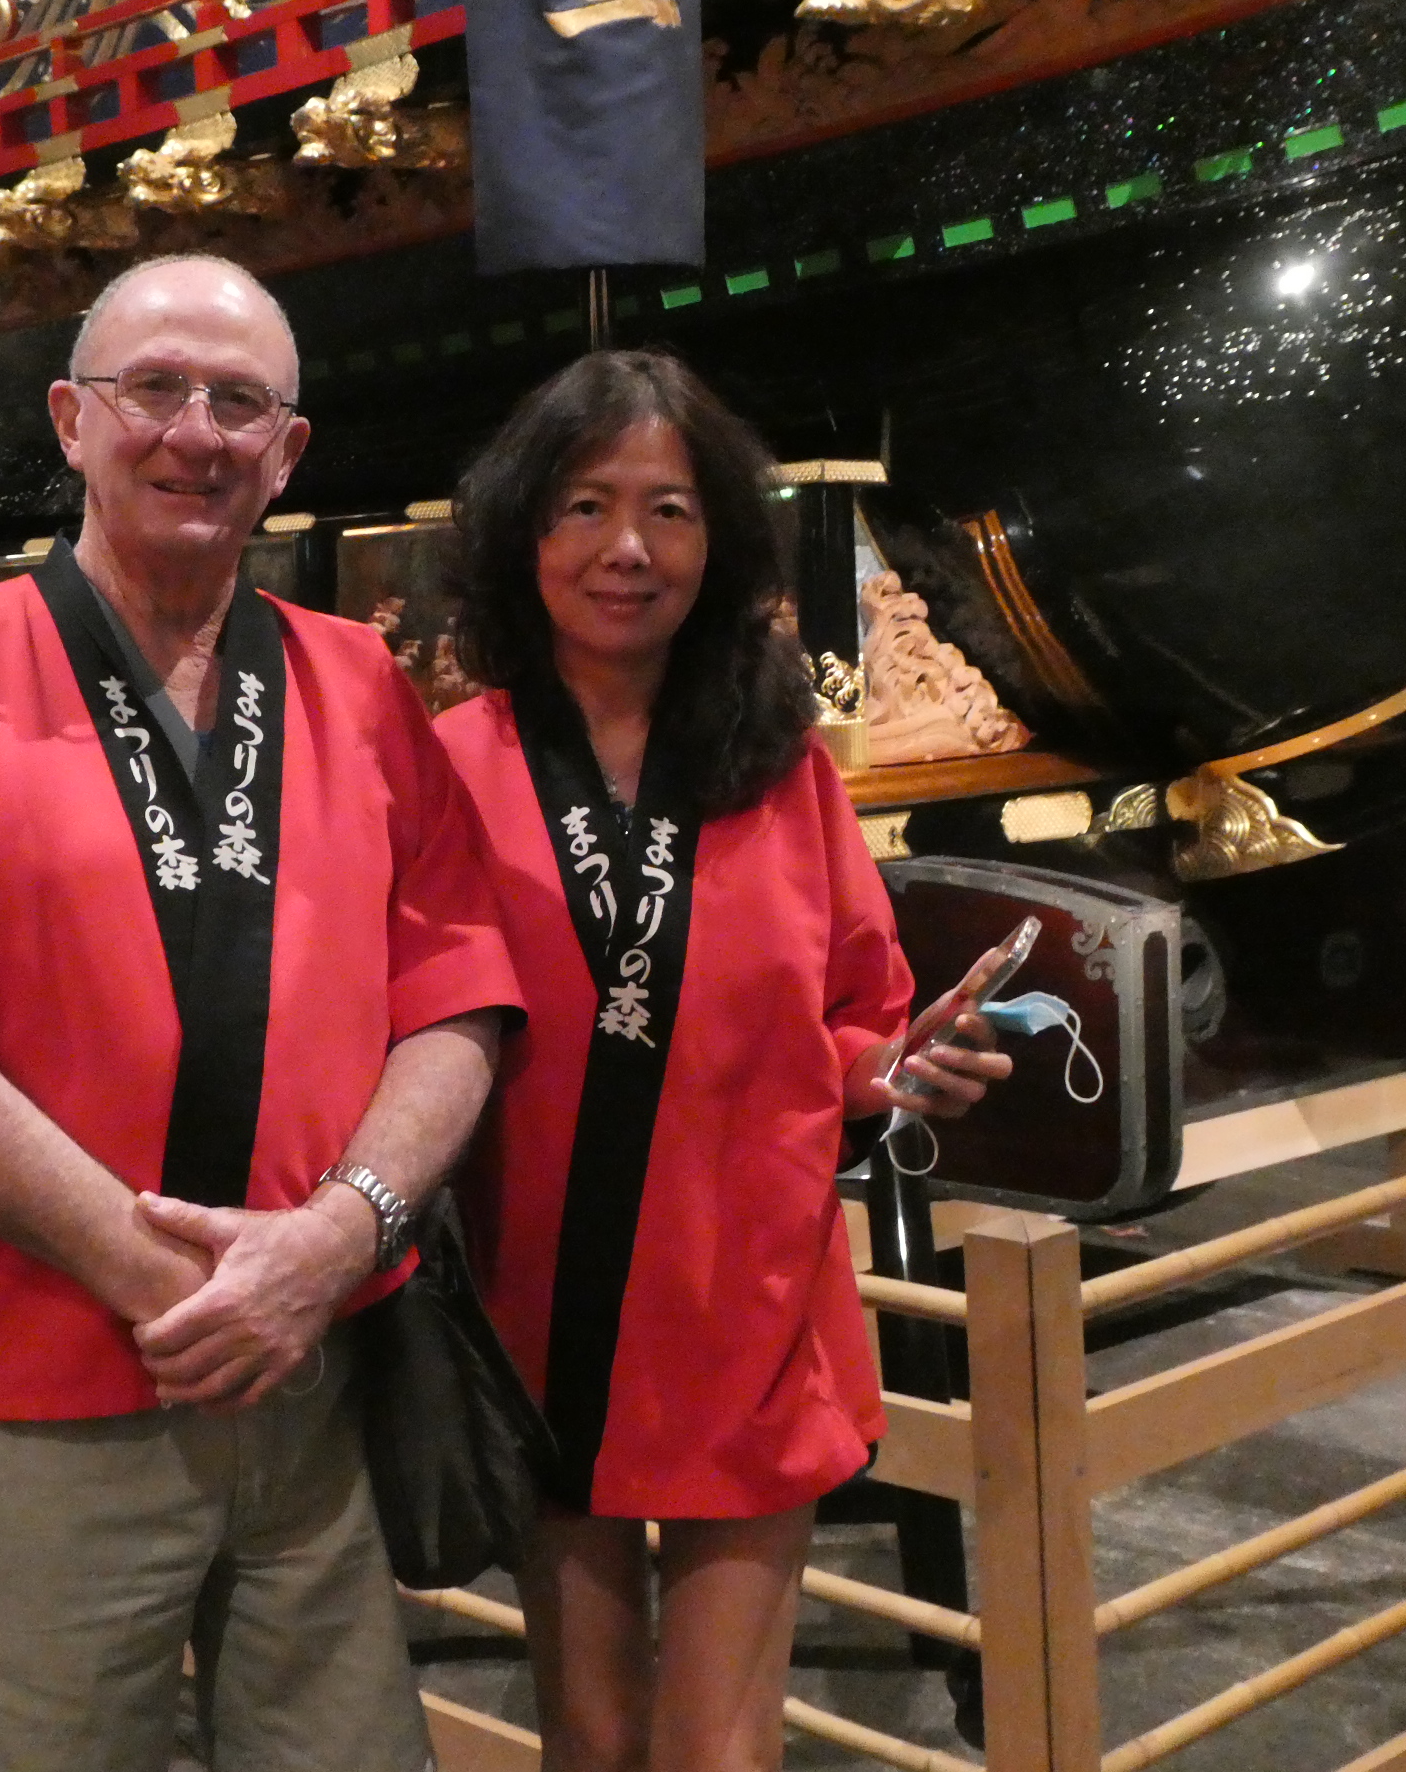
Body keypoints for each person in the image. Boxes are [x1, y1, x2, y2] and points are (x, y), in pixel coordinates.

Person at [0, 253, 523, 1772]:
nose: (198, 431)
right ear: (70, 420)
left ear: (289, 448)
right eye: (153, 389)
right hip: (53, 1380)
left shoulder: (359, 681)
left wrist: (329, 1246)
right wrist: (173, 1285)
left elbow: (458, 995)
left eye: (242, 401)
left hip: (317, 1382)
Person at [432, 349, 1012, 1772]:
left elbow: (857, 1012)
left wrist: (897, 1067)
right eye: (584, 505)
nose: (627, 548)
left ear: (723, 539)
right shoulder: (448, 764)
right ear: (523, 531)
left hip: (749, 1303)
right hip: (541, 1313)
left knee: (718, 1750)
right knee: (589, 1734)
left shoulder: (780, 766)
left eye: (672, 510)